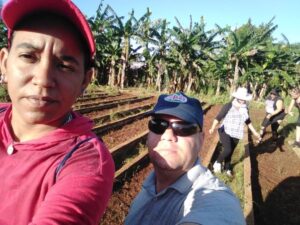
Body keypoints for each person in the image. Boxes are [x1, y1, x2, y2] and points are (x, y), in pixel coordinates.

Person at [0, 0, 114, 224]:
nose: (43, 79)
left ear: (85, 80)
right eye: (28, 57)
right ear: (4, 62)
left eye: (64, 66)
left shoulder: (87, 163)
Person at [125, 92, 246, 225]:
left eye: (183, 128)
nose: (167, 135)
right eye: (158, 124)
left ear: (201, 140)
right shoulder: (149, 185)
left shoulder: (217, 199)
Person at [209, 87, 261, 175]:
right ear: (236, 97)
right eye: (240, 98)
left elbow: (247, 121)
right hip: (225, 130)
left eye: (244, 99)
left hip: (237, 132)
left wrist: (255, 132)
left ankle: (227, 167)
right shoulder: (228, 106)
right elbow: (218, 117)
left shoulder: (245, 109)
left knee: (231, 151)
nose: (242, 100)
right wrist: (212, 127)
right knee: (228, 149)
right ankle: (217, 163)